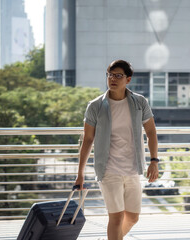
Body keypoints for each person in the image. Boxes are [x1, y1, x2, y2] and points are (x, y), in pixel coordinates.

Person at [74, 60, 159, 240]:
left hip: (133, 168)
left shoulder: (140, 102)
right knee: (116, 217)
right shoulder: (95, 106)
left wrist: (154, 161)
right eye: (110, 75)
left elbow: (151, 132)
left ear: (128, 80)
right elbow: (88, 139)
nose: (112, 79)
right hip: (108, 170)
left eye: (118, 75)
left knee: (133, 217)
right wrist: (80, 173)